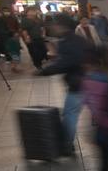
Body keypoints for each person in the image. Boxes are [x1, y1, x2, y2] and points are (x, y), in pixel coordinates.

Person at [37, 14, 88, 155]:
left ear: (61, 26)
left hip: (78, 84)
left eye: (55, 25)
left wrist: (45, 71)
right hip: (90, 80)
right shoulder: (78, 39)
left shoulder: (67, 41)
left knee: (70, 114)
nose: (53, 28)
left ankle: (67, 145)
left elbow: (66, 63)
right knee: (98, 113)